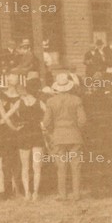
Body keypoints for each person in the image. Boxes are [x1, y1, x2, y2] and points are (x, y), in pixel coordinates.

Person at [43, 71, 87, 200]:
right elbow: (83, 120)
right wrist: (77, 129)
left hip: (58, 136)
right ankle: (76, 194)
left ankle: (62, 195)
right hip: (74, 135)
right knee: (76, 166)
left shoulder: (51, 101)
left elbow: (46, 122)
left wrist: (51, 130)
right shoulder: (76, 100)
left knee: (61, 167)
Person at [14, 90, 45, 199]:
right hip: (37, 133)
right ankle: (35, 192)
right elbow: (49, 114)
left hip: (24, 134)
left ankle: (27, 192)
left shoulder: (19, 103)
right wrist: (43, 125)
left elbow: (5, 116)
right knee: (37, 166)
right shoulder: (39, 102)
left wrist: (14, 127)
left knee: (25, 166)